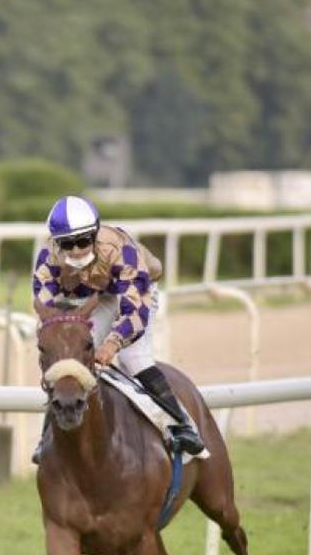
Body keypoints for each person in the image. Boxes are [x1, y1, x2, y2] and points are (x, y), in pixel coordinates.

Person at [32, 195, 204, 459]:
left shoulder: (121, 249)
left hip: (135, 294)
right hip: (92, 299)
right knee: (69, 358)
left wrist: (112, 343)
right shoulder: (48, 258)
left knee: (132, 358)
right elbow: (46, 311)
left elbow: (135, 310)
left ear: (95, 232)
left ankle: (182, 426)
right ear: (56, 242)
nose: (76, 250)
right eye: (67, 243)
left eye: (83, 240)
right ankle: (47, 439)